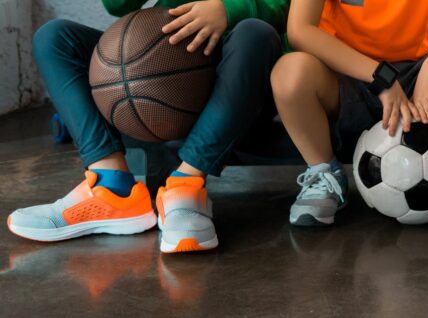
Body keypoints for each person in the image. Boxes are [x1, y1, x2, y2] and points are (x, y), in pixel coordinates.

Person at [8, 0, 287, 253]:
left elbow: (287, 6)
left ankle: (186, 187)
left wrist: (228, 10)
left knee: (255, 32)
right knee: (55, 38)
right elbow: (117, 5)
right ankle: (112, 186)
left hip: (244, 76)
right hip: (166, 65)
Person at [270, 0, 428, 227]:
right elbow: (300, 30)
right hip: (349, 72)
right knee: (289, 74)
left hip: (419, 71)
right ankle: (325, 173)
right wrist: (380, 78)